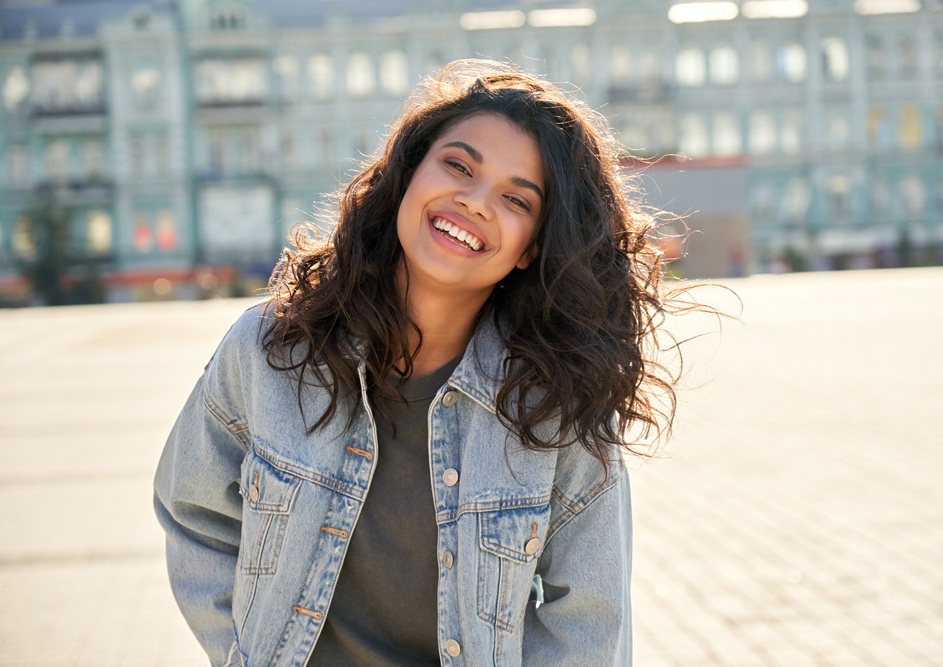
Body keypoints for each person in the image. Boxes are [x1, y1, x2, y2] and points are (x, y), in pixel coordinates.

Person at [154, 59, 681, 667]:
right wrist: (248, 653)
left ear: (529, 248)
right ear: (409, 174)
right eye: (458, 165)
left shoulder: (555, 407)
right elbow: (191, 512)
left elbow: (591, 620)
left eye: (515, 198)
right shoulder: (272, 348)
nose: (475, 201)